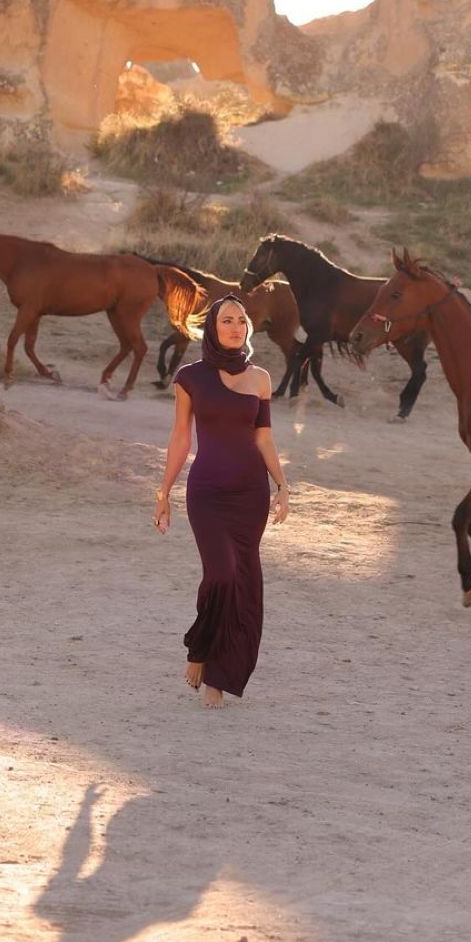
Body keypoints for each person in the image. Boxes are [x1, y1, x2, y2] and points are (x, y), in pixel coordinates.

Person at [153, 295, 290, 708]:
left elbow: (263, 438)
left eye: (241, 321)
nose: (234, 327)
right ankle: (200, 650)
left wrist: (282, 484)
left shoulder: (261, 379)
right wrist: (164, 493)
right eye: (226, 320)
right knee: (223, 573)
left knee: (244, 581)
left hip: (251, 493)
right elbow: (181, 437)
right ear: (212, 327)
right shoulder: (190, 377)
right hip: (207, 491)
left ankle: (216, 678)